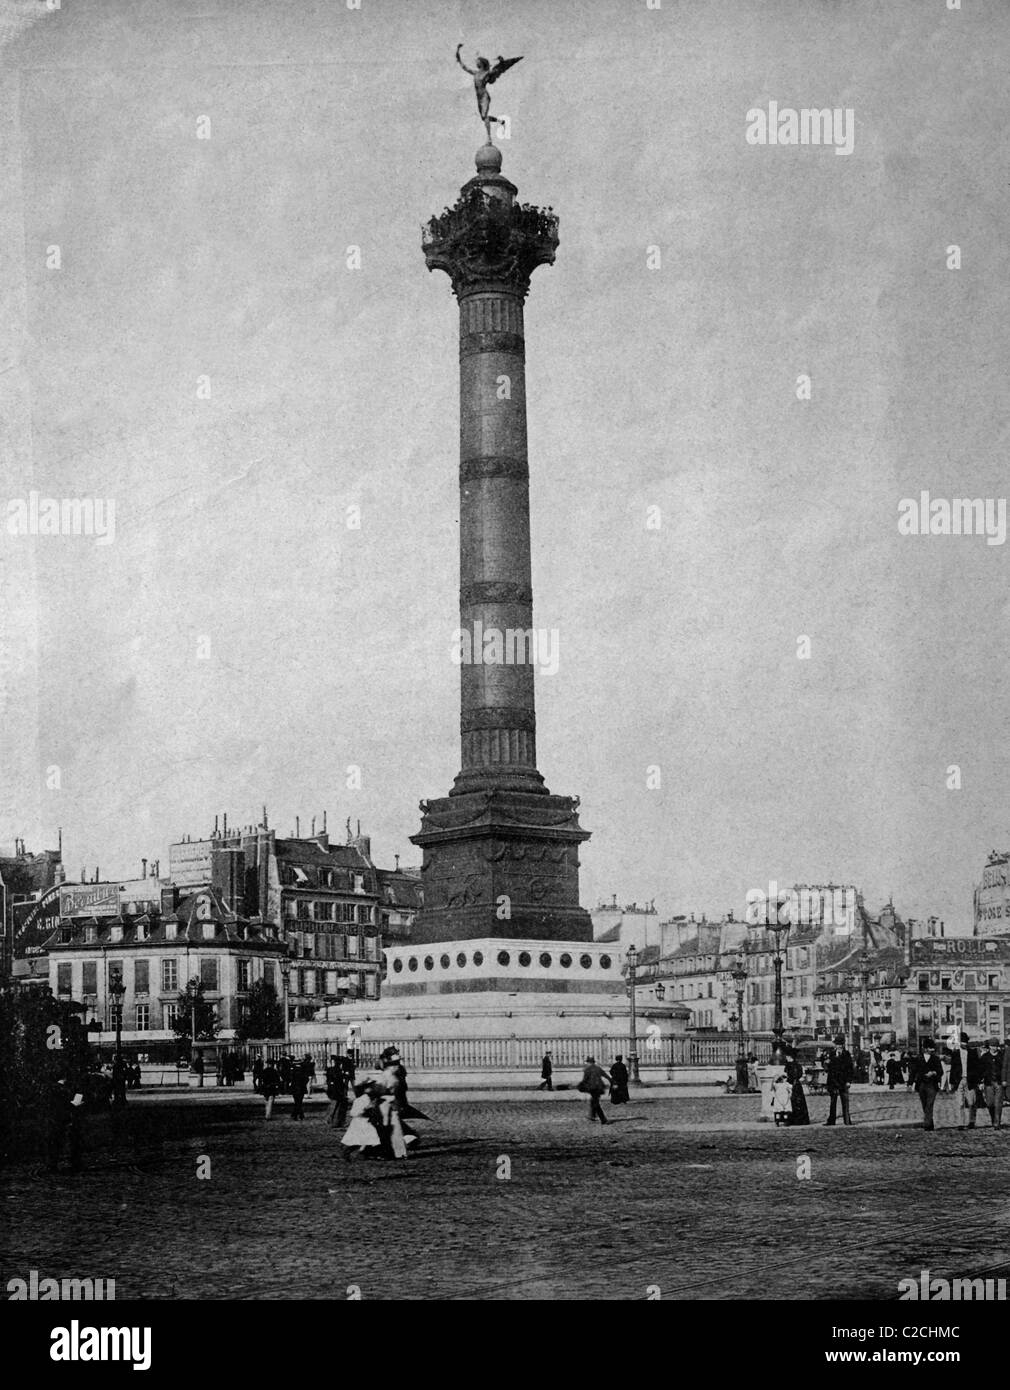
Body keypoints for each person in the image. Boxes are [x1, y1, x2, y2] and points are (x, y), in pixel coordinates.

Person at [45, 1071, 84, 1173]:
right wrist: (75, 1104)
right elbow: (66, 1105)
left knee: (54, 1141)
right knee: (66, 1140)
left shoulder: (51, 1089)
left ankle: (52, 1164)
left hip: (52, 1118)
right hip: (62, 1118)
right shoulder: (63, 1090)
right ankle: (69, 1163)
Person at [341, 1084, 383, 1161]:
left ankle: (362, 1153)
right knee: (359, 1139)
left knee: (369, 1138)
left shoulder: (366, 1099)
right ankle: (351, 1152)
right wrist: (366, 1111)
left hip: (364, 1121)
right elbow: (355, 1112)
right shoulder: (363, 1100)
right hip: (361, 1121)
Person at [949, 1032, 982, 1131]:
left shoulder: (973, 1053)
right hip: (959, 1080)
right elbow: (953, 1068)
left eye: (965, 1042)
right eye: (961, 1042)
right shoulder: (955, 1054)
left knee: (972, 1102)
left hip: (970, 1081)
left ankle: (972, 1121)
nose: (963, 1044)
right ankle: (960, 1123)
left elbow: (977, 1068)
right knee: (960, 1103)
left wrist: (978, 1081)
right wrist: (952, 1082)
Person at [824, 1039, 854, 1126]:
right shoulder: (831, 1054)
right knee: (833, 1102)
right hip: (833, 1081)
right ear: (835, 1045)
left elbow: (850, 1069)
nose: (839, 1046)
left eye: (841, 1044)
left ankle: (847, 1121)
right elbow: (826, 1068)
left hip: (843, 1081)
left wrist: (849, 1081)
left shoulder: (846, 1054)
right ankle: (831, 1121)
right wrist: (826, 1063)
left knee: (845, 1101)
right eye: (837, 1045)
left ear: (843, 1045)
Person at [916, 1040, 944, 1129]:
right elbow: (914, 1071)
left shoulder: (935, 1059)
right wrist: (910, 1083)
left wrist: (933, 1073)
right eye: (930, 1048)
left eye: (932, 1048)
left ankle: (927, 1125)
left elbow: (941, 1071)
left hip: (932, 1084)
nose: (932, 1050)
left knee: (930, 1104)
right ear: (925, 1049)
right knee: (924, 1104)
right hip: (921, 1084)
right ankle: (930, 1122)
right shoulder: (918, 1058)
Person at [979, 1039, 1004, 1130]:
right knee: (990, 1103)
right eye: (992, 1046)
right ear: (989, 1046)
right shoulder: (985, 1057)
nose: (994, 1048)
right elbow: (980, 1070)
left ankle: (997, 1123)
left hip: (999, 1082)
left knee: (998, 1103)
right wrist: (980, 1082)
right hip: (988, 1083)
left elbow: (1005, 1069)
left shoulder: (1002, 1056)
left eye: (995, 1046)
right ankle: (993, 1119)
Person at [579, 1056, 611, 1124]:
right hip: (599, 1088)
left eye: (587, 1062)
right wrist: (612, 1081)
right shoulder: (598, 1068)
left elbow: (585, 1079)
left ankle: (603, 1119)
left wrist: (580, 1085)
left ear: (589, 1062)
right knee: (593, 1101)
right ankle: (592, 1115)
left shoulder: (587, 1069)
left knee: (596, 1104)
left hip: (593, 1088)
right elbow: (606, 1075)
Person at [783, 1047, 809, 1126]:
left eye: (787, 1056)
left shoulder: (791, 1065)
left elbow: (793, 1075)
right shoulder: (796, 1065)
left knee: (793, 1103)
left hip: (793, 1085)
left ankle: (794, 1120)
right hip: (797, 1085)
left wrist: (788, 1081)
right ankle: (800, 1120)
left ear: (789, 1057)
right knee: (797, 1103)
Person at [325, 1054, 349, 1127]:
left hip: (335, 1090)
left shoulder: (332, 1070)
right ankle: (336, 1121)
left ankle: (333, 1121)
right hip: (337, 1090)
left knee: (335, 1106)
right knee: (337, 1106)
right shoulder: (337, 1070)